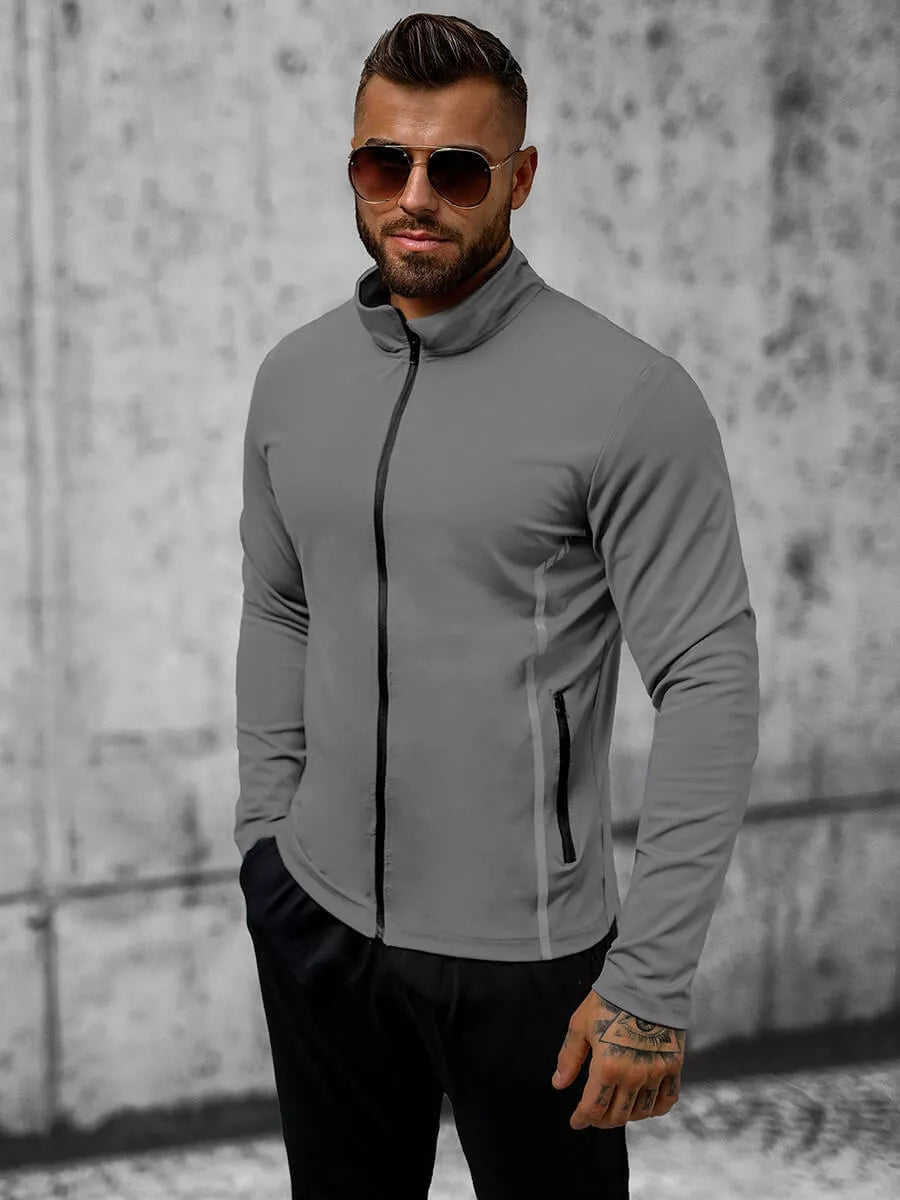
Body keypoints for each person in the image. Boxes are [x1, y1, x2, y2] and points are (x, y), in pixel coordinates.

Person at [233, 12, 760, 1200]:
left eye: (457, 170)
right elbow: (280, 604)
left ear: (519, 178)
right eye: (384, 163)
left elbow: (708, 676)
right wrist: (267, 838)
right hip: (316, 921)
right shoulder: (295, 378)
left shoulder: (628, 398)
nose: (414, 197)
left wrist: (650, 981)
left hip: (530, 963)